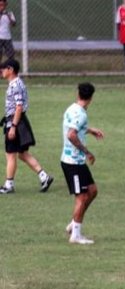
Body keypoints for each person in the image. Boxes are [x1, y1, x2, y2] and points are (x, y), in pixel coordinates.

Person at [0, 58, 53, 195]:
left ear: (10, 69)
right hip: (18, 121)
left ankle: (9, 184)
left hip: (15, 122)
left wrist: (13, 126)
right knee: (22, 154)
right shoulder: (18, 83)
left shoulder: (15, 85)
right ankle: (44, 177)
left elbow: (18, 107)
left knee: (10, 154)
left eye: (3, 69)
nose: (1, 71)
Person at [60, 81, 104, 245]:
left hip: (76, 162)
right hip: (73, 162)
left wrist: (90, 130)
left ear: (78, 94)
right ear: (91, 98)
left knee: (92, 191)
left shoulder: (72, 108)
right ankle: (76, 235)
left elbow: (74, 126)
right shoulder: (81, 114)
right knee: (81, 197)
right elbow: (71, 134)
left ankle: (74, 223)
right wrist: (87, 152)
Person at [0, 0, 15, 64]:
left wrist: (8, 16)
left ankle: (10, 69)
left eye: (3, 5)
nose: (1, 7)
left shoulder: (9, 13)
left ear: (6, 5)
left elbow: (13, 24)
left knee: (11, 55)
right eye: (0, 5)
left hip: (7, 37)